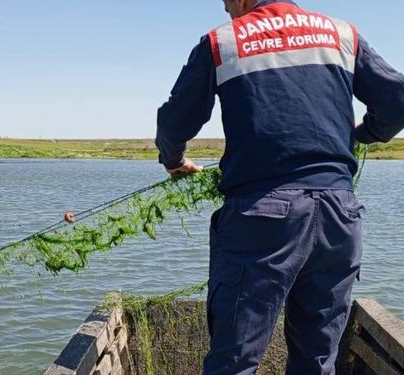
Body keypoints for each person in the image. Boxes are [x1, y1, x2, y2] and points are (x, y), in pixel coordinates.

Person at [155, 0, 404, 373]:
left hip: (261, 217)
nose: (228, 13)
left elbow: (175, 121)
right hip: (338, 216)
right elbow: (398, 100)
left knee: (234, 360)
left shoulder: (221, 42)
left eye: (226, 5)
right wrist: (360, 136)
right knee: (318, 358)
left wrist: (174, 161)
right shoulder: (341, 34)